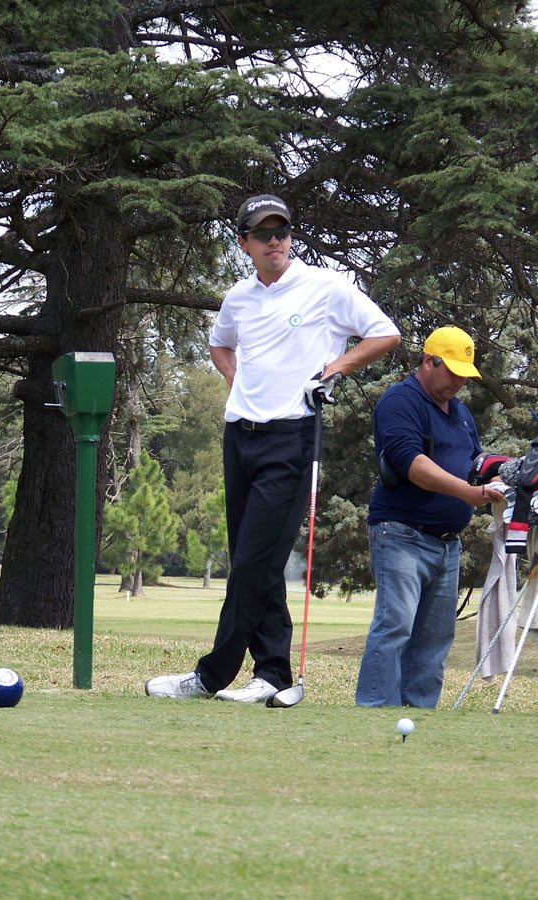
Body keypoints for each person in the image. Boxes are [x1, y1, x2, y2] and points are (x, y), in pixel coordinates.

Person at [145, 193, 401, 703]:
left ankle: (211, 675)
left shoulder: (325, 287)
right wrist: (236, 381)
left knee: (251, 563)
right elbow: (220, 344)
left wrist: (334, 369)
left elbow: (384, 333)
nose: (275, 241)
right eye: (263, 233)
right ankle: (273, 674)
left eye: (282, 231)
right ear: (244, 243)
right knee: (253, 559)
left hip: (292, 437)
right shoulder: (239, 297)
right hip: (239, 437)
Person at [355, 325, 506, 709]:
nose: (458, 382)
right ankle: (375, 710)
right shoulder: (400, 401)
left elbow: (474, 461)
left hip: (447, 544)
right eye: (452, 371)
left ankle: (419, 715)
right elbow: (412, 464)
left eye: (464, 375)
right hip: (400, 533)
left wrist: (497, 476)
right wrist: (468, 493)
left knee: (435, 638)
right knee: (395, 626)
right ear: (428, 361)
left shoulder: (461, 413)